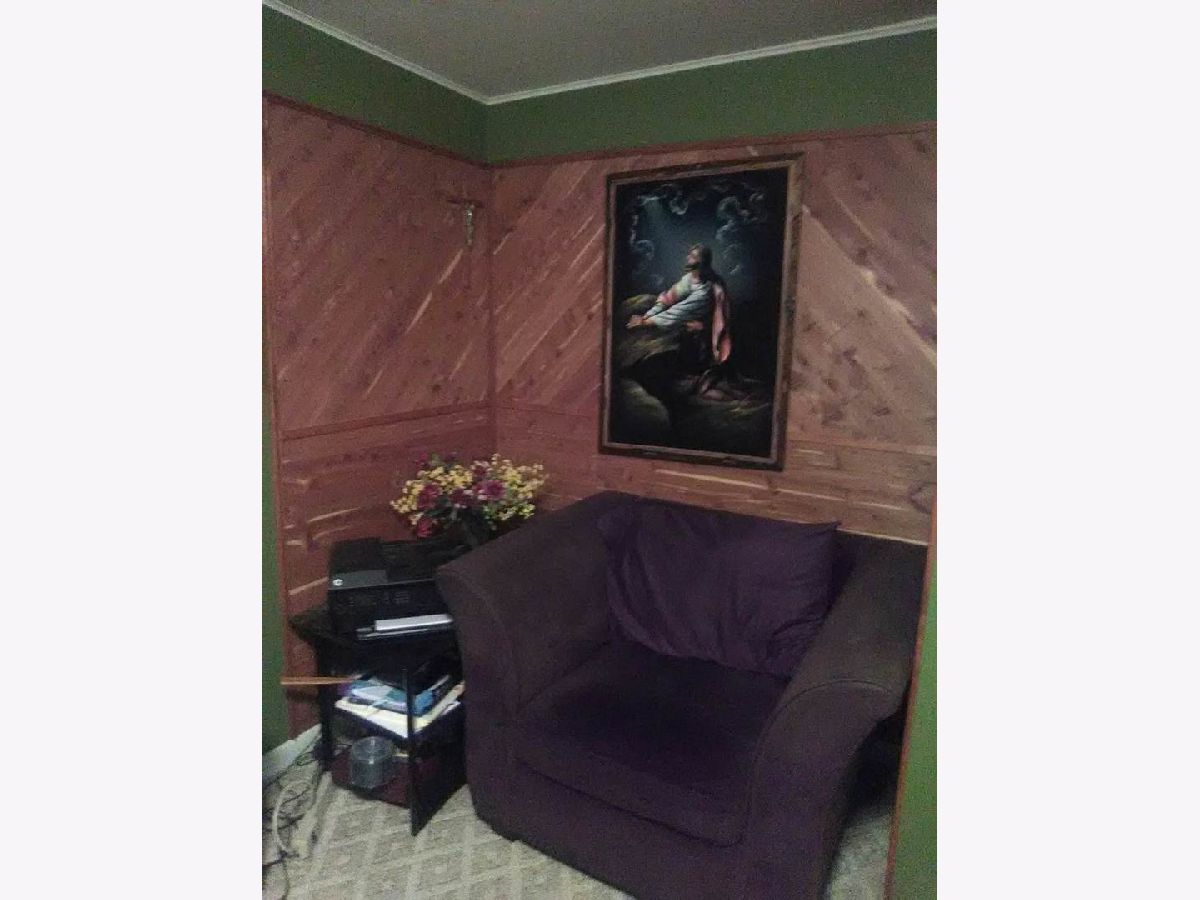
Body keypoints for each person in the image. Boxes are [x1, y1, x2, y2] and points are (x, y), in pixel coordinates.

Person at [626, 244, 732, 367]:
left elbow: (677, 313)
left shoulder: (706, 290)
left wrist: (644, 322)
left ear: (701, 263)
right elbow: (670, 297)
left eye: (693, 257)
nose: (688, 258)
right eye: (689, 255)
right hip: (688, 320)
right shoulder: (690, 278)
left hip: (708, 332)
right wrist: (647, 315)